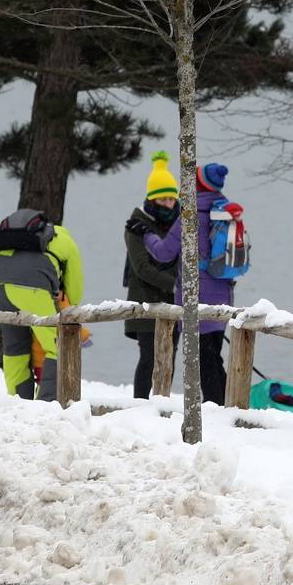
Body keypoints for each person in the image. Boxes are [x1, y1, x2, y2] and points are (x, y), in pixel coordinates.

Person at [144, 163, 243, 405]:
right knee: (214, 358)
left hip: (196, 296)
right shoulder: (226, 212)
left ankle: (216, 408)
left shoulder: (190, 213)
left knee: (202, 362)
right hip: (223, 295)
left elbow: (164, 253)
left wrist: (147, 235)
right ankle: (227, 405)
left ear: (196, 184)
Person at [0, 208, 85, 400]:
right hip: (30, 287)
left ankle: (18, 401)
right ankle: (46, 405)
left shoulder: (14, 236)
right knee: (58, 344)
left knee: (15, 347)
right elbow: (75, 292)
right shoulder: (66, 241)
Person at [123, 152, 181, 400]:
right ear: (152, 199)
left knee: (169, 357)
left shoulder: (179, 224)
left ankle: (162, 401)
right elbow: (141, 268)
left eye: (172, 198)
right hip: (145, 301)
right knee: (149, 358)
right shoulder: (137, 227)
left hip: (173, 304)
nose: (169, 203)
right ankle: (141, 404)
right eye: (163, 198)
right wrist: (176, 287)